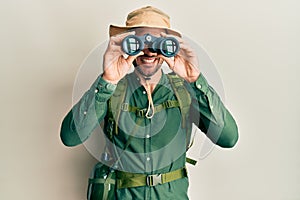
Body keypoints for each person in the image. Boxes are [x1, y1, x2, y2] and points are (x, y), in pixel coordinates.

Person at [60, 6, 239, 200]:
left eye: (158, 42)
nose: (149, 51)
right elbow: (70, 137)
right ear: (127, 43)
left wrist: (195, 80)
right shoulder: (112, 90)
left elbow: (228, 138)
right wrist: (107, 81)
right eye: (140, 41)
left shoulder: (184, 91)